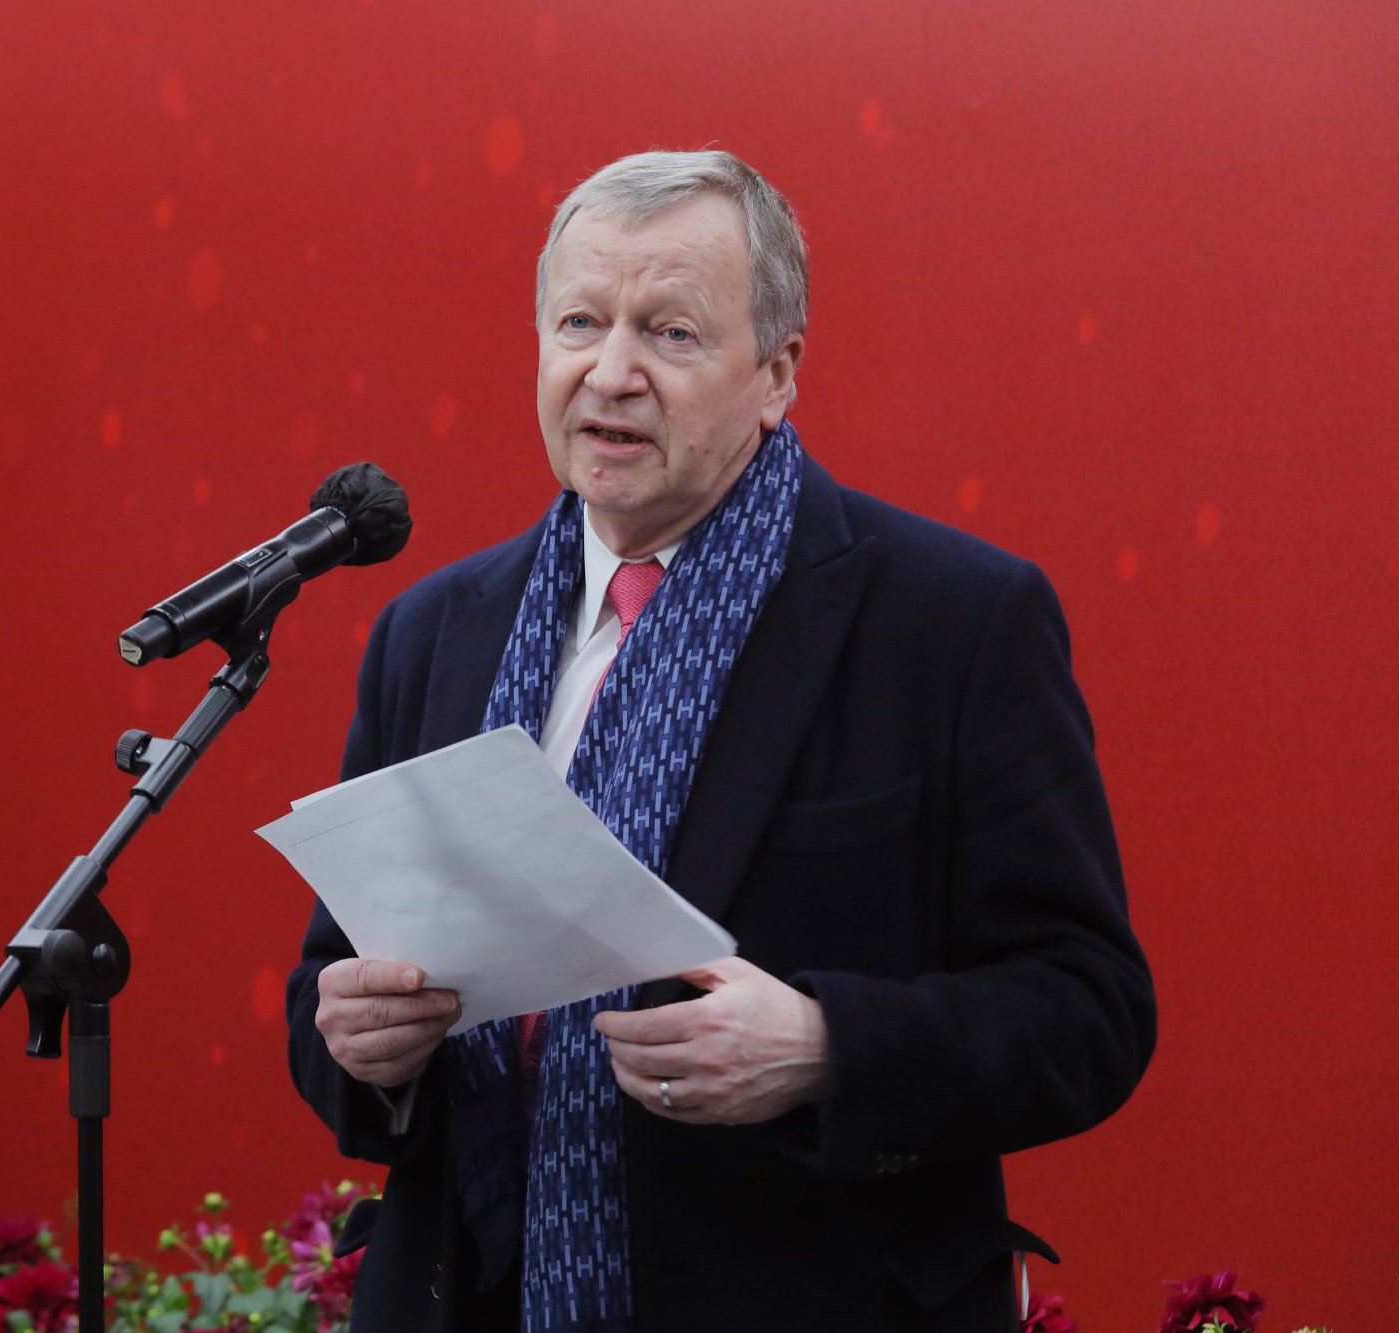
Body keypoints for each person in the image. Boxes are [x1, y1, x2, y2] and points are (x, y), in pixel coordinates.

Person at [284, 149, 1155, 1332]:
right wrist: (357, 1039)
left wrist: (825, 1043)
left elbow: (1085, 1007)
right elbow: (330, 989)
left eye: (671, 333)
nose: (612, 372)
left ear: (775, 376)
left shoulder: (947, 621)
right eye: (579, 322)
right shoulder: (433, 631)